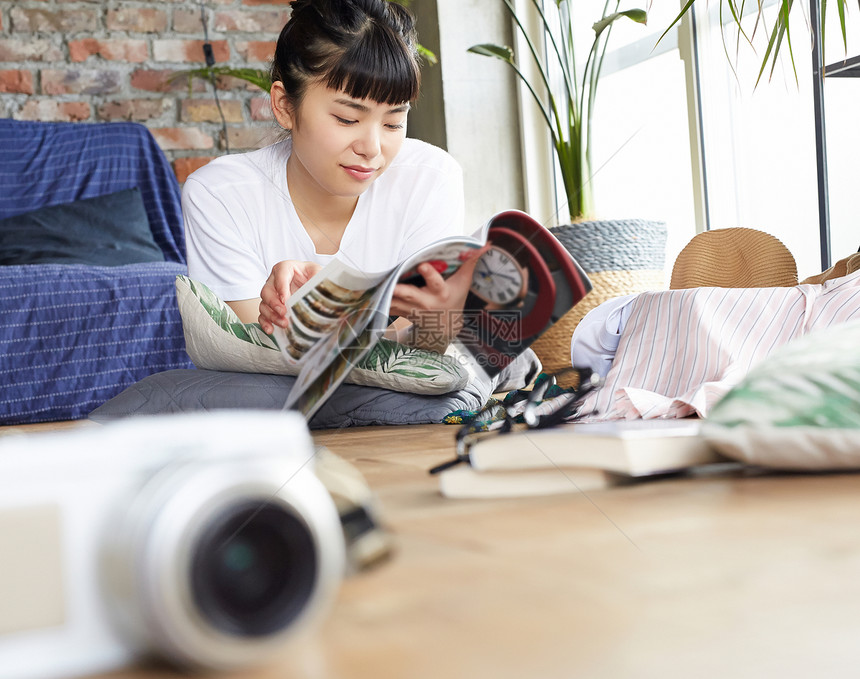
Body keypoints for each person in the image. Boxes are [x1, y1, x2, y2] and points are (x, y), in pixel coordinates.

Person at [182, 0, 484, 352]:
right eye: (347, 119)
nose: (372, 148)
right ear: (284, 106)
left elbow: (419, 352)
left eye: (393, 123)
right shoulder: (221, 195)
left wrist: (332, 311)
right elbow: (254, 356)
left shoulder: (429, 179)